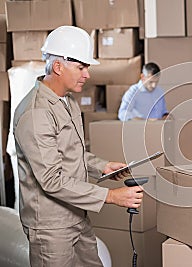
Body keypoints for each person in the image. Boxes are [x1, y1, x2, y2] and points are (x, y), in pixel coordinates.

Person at [13, 26, 144, 266]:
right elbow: (52, 179)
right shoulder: (36, 114)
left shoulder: (68, 102)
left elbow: (71, 154)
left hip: (76, 214)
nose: (87, 74)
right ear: (58, 66)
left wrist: (103, 167)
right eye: (81, 67)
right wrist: (111, 197)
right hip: (51, 228)